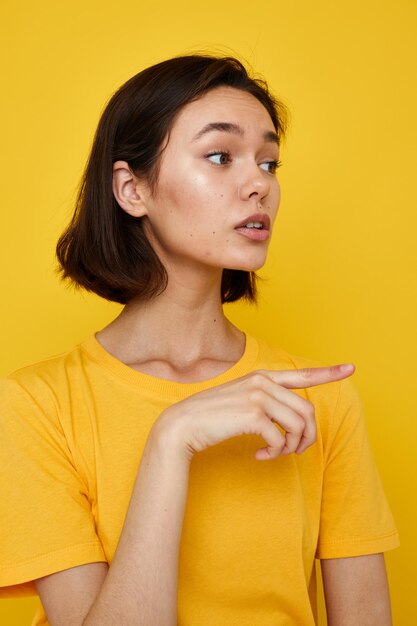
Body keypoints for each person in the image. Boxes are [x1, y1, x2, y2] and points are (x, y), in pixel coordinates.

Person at [0, 55, 399, 626]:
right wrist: (173, 439)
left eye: (269, 161)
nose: (259, 182)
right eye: (220, 156)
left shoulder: (319, 397)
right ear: (132, 190)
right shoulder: (35, 406)